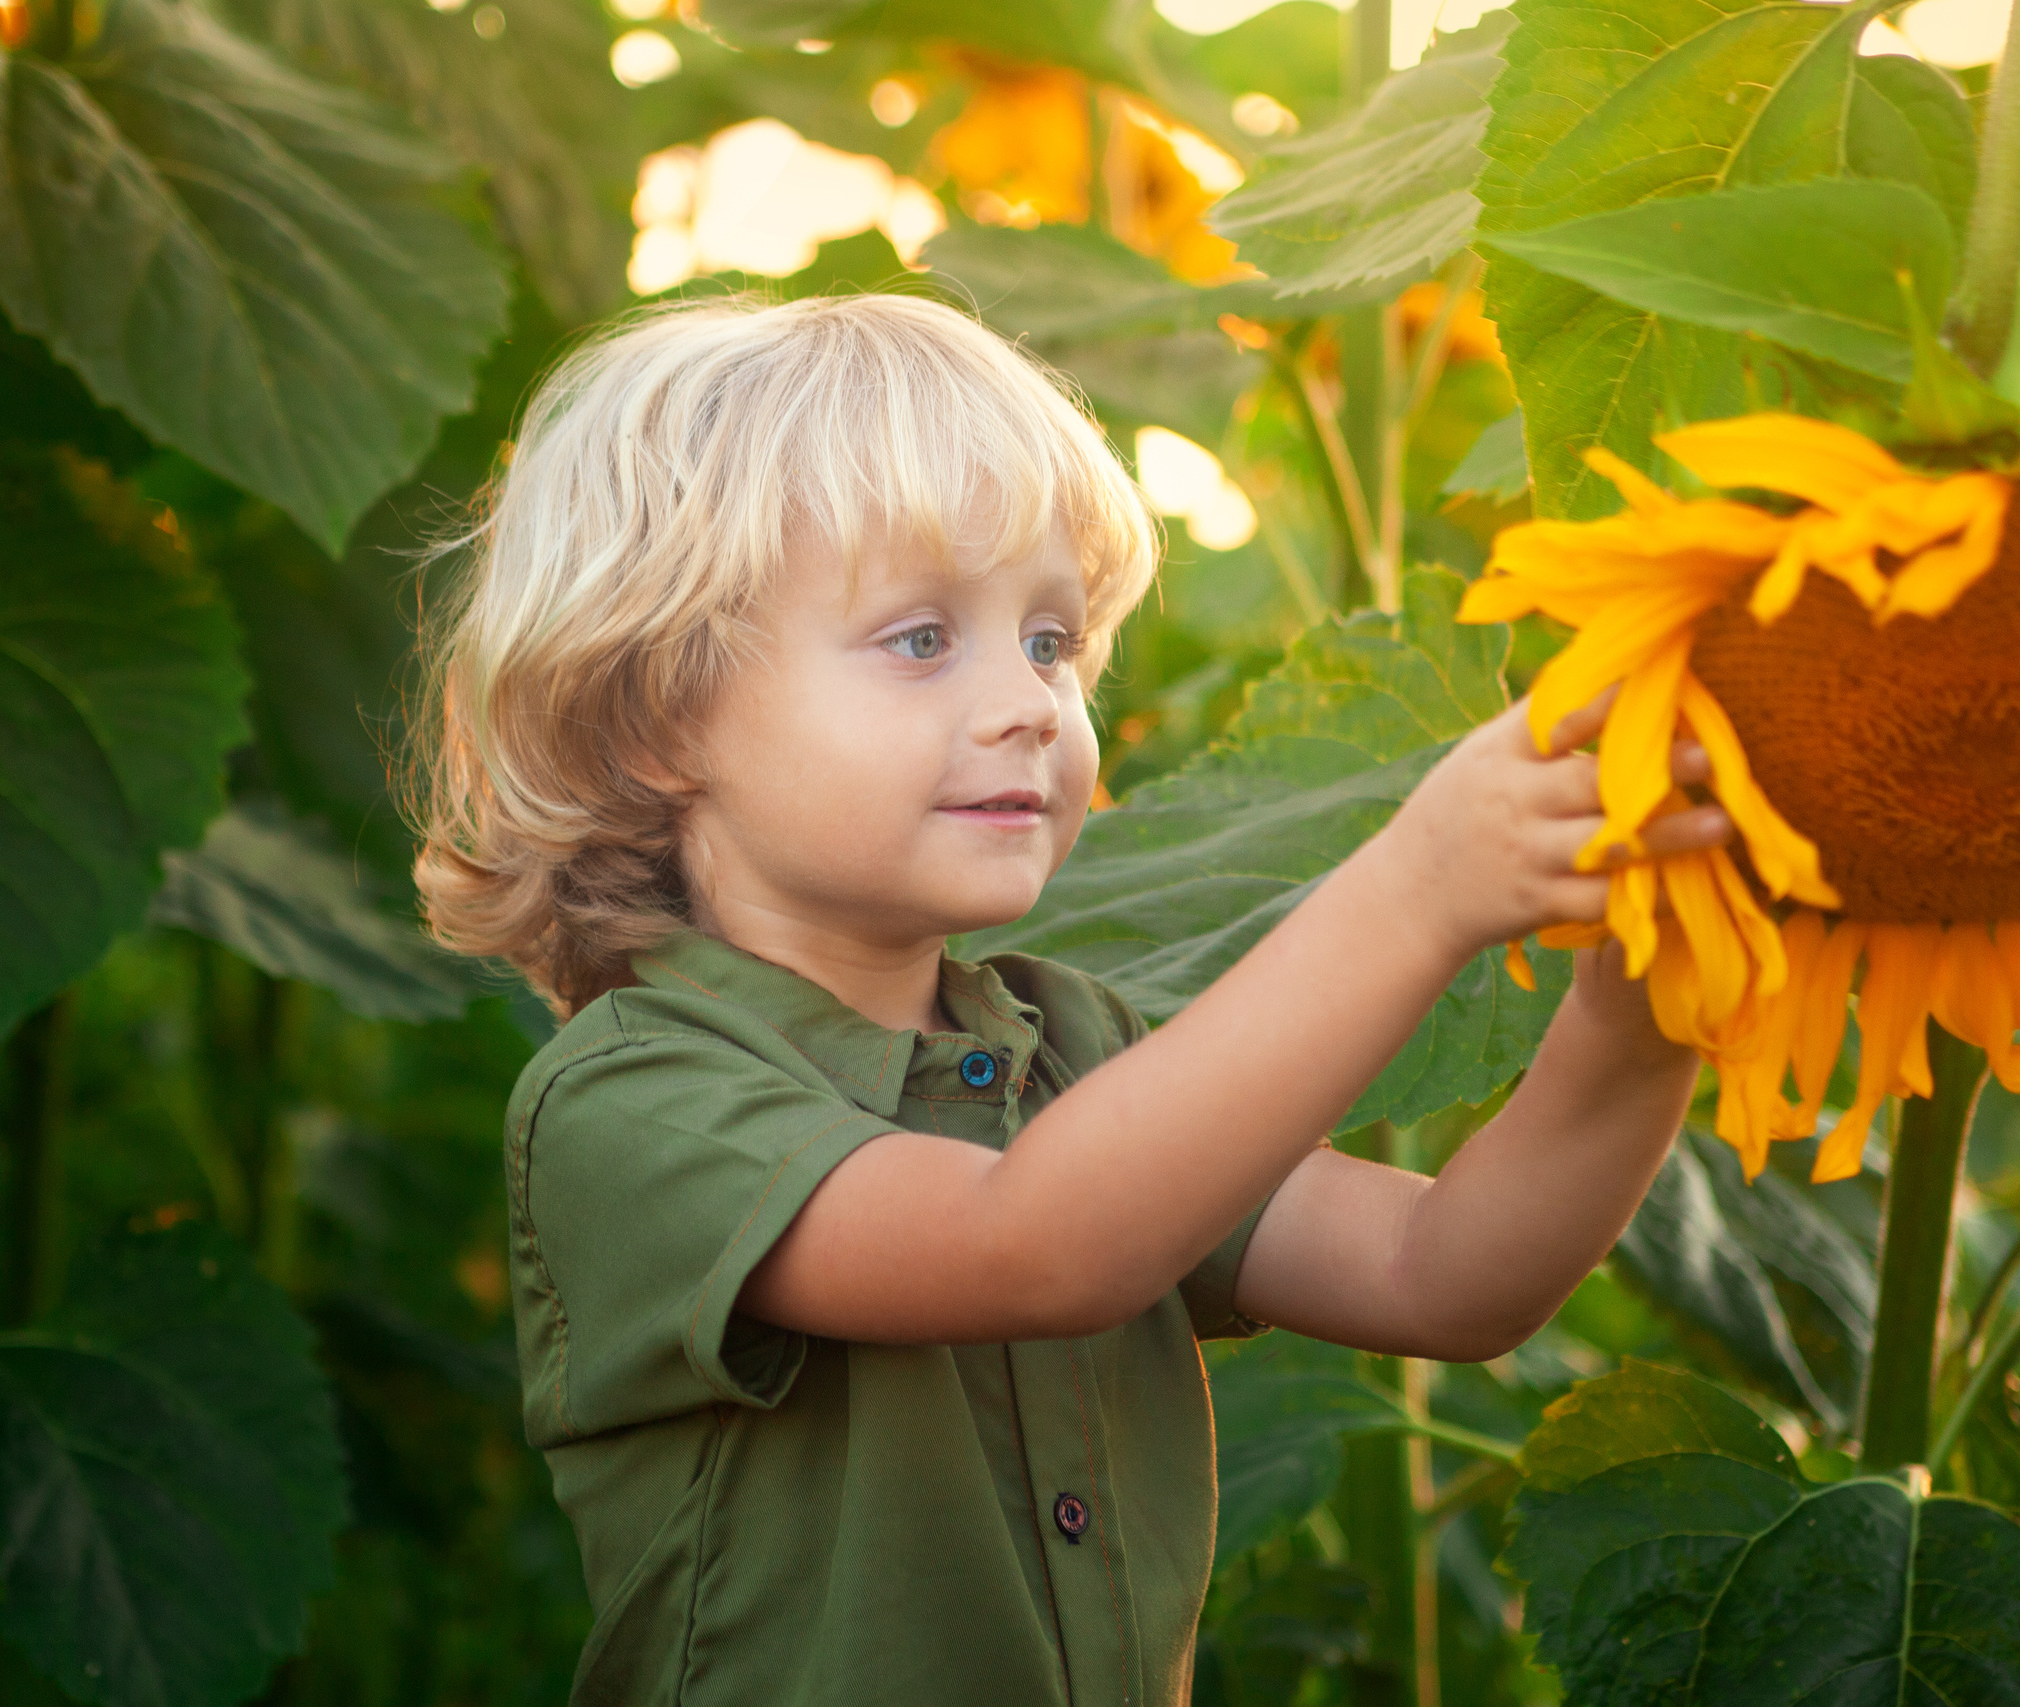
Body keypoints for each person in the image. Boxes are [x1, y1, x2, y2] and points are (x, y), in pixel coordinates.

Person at [410, 292, 1731, 1706]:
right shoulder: (629, 1101)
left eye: (1050, 641)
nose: (1034, 704)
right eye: (923, 639)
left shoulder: (1072, 1049)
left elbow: (1445, 1276)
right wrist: (1417, 890)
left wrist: (1646, 1011)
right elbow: (1035, 1246)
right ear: (660, 714)